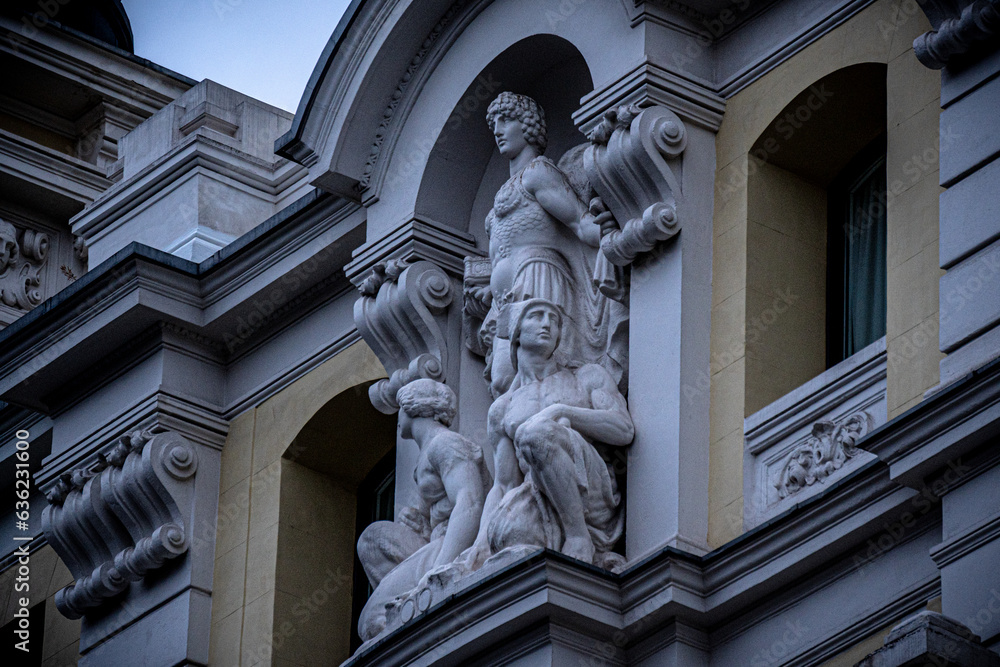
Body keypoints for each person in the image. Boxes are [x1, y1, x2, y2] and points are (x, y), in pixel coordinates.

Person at [470, 92, 624, 398]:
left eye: (506, 120)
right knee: (502, 381)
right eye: (494, 124)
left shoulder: (537, 173)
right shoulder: (505, 190)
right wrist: (490, 289)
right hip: (506, 297)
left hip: (538, 276)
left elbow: (579, 222)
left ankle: (561, 416)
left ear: (527, 126)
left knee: (543, 372)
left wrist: (611, 233)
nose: (498, 130)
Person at [468, 298, 634, 567]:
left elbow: (623, 429)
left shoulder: (587, 377)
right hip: (536, 492)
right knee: (508, 537)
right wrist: (479, 546)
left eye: (554, 320)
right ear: (517, 332)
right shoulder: (503, 408)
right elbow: (504, 484)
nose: (547, 324)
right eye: (536, 316)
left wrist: (562, 412)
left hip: (593, 491)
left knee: (536, 432)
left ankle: (578, 537)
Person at [356, 379, 489, 641]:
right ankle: (413, 615)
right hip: (439, 540)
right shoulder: (428, 452)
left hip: (454, 547)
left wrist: (438, 573)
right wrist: (422, 525)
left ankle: (417, 625)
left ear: (412, 407)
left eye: (399, 409)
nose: (398, 418)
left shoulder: (445, 444)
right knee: (372, 540)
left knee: (371, 620)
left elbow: (470, 503)